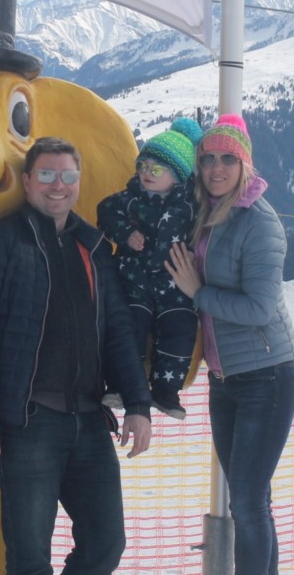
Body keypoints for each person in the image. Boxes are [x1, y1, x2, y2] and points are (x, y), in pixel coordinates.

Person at [0, 136, 153, 574]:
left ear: (78, 182)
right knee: (30, 559)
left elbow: (118, 331)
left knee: (106, 544)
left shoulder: (93, 248)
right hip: (26, 425)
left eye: (67, 176)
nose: (58, 185)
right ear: (27, 181)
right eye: (46, 174)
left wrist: (138, 404)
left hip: (89, 421)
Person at [165, 113, 294, 575]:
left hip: (267, 376)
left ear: (245, 165)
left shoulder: (259, 222)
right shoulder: (207, 212)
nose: (216, 168)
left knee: (246, 500)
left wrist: (197, 293)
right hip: (225, 380)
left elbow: (260, 308)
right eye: (208, 159)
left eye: (228, 159)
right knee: (251, 499)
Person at [96, 117, 202, 419]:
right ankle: (121, 384)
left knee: (180, 328)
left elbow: (209, 230)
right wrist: (125, 234)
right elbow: (105, 211)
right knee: (130, 327)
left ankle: (167, 390)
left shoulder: (190, 205)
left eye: (156, 169)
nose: (146, 173)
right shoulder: (130, 198)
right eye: (142, 166)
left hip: (174, 282)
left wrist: (197, 257)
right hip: (135, 278)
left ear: (177, 175)